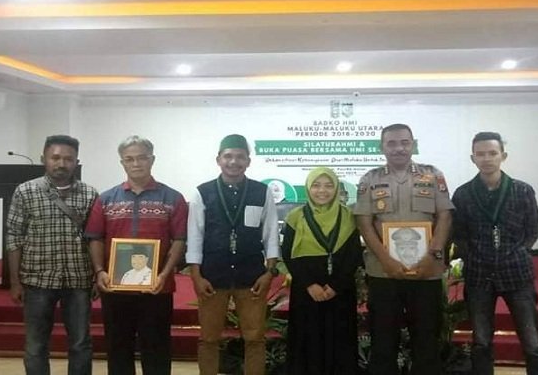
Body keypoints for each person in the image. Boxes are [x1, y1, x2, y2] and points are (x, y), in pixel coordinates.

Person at [354, 123, 454, 375]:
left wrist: (433, 255)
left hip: (426, 270)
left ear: (413, 144)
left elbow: (445, 216)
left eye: (404, 142)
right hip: (383, 272)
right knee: (383, 337)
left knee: (427, 336)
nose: (398, 148)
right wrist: (386, 260)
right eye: (391, 143)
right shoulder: (370, 179)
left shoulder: (433, 175)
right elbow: (364, 223)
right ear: (382, 147)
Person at [85, 135, 188, 375]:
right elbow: (95, 237)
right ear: (122, 163)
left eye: (142, 157)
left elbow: (180, 240)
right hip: (115, 287)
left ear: (152, 159)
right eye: (129, 159)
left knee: (157, 347)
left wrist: (165, 273)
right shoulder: (106, 199)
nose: (136, 163)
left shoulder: (172, 198)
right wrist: (100, 271)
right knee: (118, 347)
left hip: (157, 288)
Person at [451, 132, 538, 375]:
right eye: (481, 154)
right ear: (472, 158)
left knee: (532, 340)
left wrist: (514, 254)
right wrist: (475, 256)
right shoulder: (463, 194)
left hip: (517, 275)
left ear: (503, 156)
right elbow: (459, 235)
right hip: (479, 276)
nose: (487, 159)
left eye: (492, 153)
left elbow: (532, 231)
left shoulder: (522, 190)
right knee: (481, 340)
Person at [186, 134, 280, 375]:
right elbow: (195, 236)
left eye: (240, 157)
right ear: (218, 159)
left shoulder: (261, 191)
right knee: (208, 338)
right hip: (212, 277)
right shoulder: (202, 192)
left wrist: (269, 273)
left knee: (255, 338)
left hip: (251, 277)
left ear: (248, 161)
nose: (233, 162)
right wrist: (196, 276)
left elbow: (270, 235)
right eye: (228, 156)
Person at [6, 134, 98, 375]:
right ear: (43, 159)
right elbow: (14, 237)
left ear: (76, 162)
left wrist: (98, 275)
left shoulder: (90, 194)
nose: (61, 163)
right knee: (36, 346)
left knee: (80, 343)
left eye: (68, 159)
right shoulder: (25, 192)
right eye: (55, 157)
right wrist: (15, 282)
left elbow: (97, 239)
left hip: (78, 280)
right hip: (37, 280)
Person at [281, 167, 362, 375]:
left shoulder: (350, 217)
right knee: (307, 338)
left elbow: (353, 256)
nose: (322, 191)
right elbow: (288, 254)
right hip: (307, 290)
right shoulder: (295, 217)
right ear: (308, 188)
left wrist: (335, 285)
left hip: (340, 289)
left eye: (328, 185)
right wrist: (309, 284)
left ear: (336, 189)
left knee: (340, 338)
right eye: (316, 185)